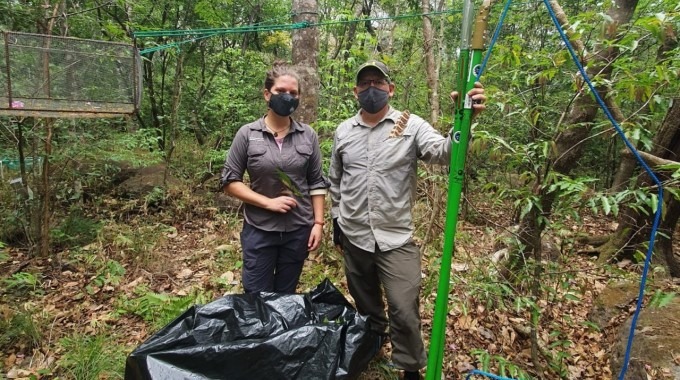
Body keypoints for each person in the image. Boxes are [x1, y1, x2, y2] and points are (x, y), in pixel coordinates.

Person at [329, 60, 486, 380]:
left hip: (395, 237)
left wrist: (466, 121)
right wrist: (336, 221)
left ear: (390, 88)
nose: (371, 88)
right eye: (365, 83)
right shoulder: (344, 130)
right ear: (356, 91)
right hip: (354, 234)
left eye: (378, 82)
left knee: (403, 307)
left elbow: (445, 154)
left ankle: (410, 366)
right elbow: (336, 179)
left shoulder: (409, 124)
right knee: (366, 302)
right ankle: (374, 342)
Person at [220, 61, 328, 294]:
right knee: (256, 294)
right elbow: (230, 181)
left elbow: (316, 182)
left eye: (293, 93)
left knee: (285, 295)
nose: (287, 97)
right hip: (260, 228)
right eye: (281, 92)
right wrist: (267, 202)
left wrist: (318, 223)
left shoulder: (307, 135)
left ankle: (280, 331)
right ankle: (260, 332)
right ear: (267, 94)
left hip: (298, 229)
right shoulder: (247, 134)